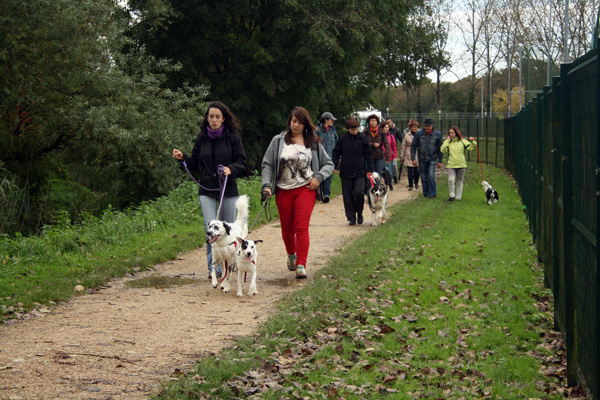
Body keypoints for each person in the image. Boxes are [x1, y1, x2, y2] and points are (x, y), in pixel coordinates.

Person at [172, 101, 246, 278]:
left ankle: (231, 264)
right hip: (206, 190)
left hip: (227, 190)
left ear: (223, 119)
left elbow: (242, 162)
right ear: (207, 119)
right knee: (211, 229)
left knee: (229, 230)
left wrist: (231, 169)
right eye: (211, 116)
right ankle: (215, 269)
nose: (214, 120)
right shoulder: (202, 138)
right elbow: (196, 163)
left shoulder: (232, 138)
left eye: (217, 117)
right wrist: (182, 158)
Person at [261, 107, 334, 279]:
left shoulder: (313, 143)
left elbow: (328, 164)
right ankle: (292, 255)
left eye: (300, 122)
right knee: (287, 230)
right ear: (289, 121)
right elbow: (267, 164)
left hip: (305, 189)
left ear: (305, 125)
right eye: (294, 121)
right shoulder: (278, 141)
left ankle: (302, 264)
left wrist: (318, 177)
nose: (296, 125)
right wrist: (266, 185)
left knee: (301, 227)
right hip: (283, 190)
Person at [331, 117, 374, 225]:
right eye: (352, 129)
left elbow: (368, 154)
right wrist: (335, 165)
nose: (354, 131)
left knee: (359, 192)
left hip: (360, 171)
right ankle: (351, 217)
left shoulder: (363, 138)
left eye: (356, 129)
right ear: (348, 129)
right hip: (346, 171)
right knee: (347, 195)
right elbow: (336, 152)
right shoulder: (343, 139)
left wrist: (370, 169)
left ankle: (359, 213)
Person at [440, 126, 477, 201]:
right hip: (451, 165)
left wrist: (473, 141)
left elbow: (471, 147)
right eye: (449, 133)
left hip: (461, 165)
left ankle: (458, 197)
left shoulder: (463, 141)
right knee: (451, 180)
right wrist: (447, 141)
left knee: (459, 182)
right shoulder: (448, 142)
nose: (450, 134)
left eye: (452, 133)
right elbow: (442, 150)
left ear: (456, 133)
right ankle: (452, 196)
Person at [410, 118, 443, 198]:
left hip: (432, 158)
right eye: (426, 126)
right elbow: (413, 146)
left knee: (431, 175)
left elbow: (440, 148)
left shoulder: (437, 134)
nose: (427, 128)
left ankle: (432, 194)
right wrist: (413, 158)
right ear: (423, 126)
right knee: (424, 177)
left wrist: (440, 160)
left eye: (429, 126)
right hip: (422, 158)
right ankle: (426, 193)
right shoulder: (419, 134)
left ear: (432, 126)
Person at [315, 112, 338, 203]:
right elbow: (313, 143)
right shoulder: (317, 130)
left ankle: (326, 194)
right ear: (326, 120)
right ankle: (319, 193)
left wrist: (337, 156)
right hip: (319, 157)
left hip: (330, 156)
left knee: (328, 175)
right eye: (331, 119)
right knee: (320, 174)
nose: (332, 121)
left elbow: (336, 143)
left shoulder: (333, 131)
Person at [400, 120, 420, 191]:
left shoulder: (419, 135)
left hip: (417, 154)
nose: (414, 128)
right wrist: (402, 156)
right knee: (410, 171)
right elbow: (403, 146)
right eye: (413, 127)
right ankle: (411, 185)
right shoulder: (406, 136)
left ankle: (416, 182)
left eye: (415, 127)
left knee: (417, 171)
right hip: (408, 154)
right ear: (410, 128)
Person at [386, 118, 404, 184]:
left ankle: (394, 176)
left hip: (393, 150)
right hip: (386, 151)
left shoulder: (396, 130)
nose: (389, 124)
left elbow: (402, 139)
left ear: (392, 122)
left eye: (389, 122)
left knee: (394, 166)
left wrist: (402, 148)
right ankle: (388, 179)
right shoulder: (384, 130)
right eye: (387, 122)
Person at [381, 121, 397, 190]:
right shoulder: (379, 136)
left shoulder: (391, 136)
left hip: (389, 157)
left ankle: (390, 184)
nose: (387, 129)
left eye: (388, 127)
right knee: (382, 172)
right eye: (385, 127)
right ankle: (384, 184)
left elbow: (394, 147)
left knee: (389, 172)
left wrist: (394, 156)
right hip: (380, 157)